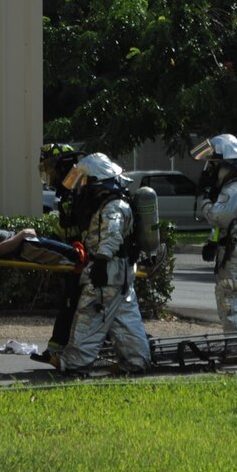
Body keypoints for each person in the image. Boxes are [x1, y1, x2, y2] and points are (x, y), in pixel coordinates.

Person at [49, 152, 150, 375]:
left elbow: (112, 236)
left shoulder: (113, 207)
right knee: (124, 318)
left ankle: (74, 362)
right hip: (118, 272)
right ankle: (136, 361)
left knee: (90, 314)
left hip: (108, 269)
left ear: (96, 181)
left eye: (84, 182)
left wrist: (101, 263)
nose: (82, 188)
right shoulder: (111, 203)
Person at [194, 133, 237, 347]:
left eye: (214, 166)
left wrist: (204, 200)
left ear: (226, 165)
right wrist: (212, 242)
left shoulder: (235, 189)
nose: (210, 171)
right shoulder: (228, 189)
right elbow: (222, 226)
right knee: (227, 300)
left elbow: (218, 216)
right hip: (231, 252)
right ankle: (236, 346)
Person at [30, 142, 87, 366]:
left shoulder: (80, 189)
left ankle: (61, 350)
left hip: (82, 257)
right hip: (73, 255)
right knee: (69, 303)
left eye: (51, 167)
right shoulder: (68, 191)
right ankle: (56, 349)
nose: (50, 173)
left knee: (75, 304)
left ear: (63, 166)